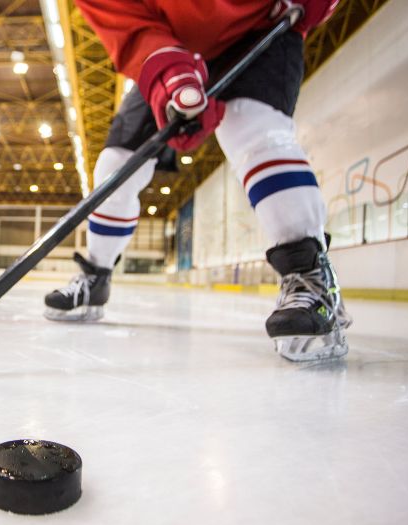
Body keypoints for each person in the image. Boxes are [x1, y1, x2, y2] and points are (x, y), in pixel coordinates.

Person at [43, 0, 352, 361]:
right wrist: (171, 77)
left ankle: (310, 275)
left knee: (254, 128)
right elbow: (132, 27)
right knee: (117, 163)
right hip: (172, 46)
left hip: (261, 26)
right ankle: (96, 276)